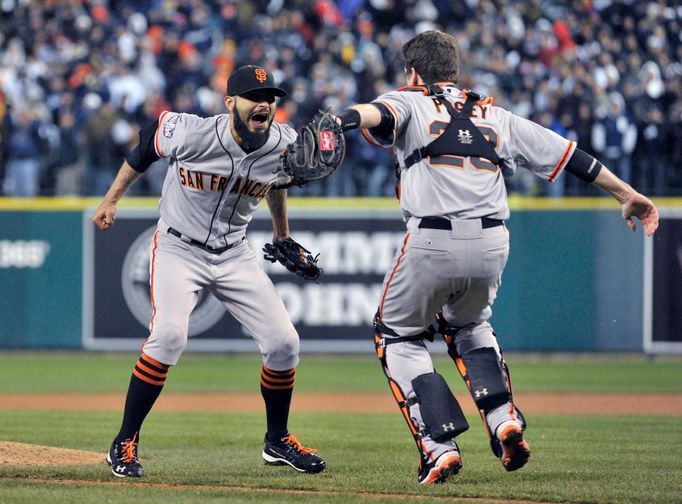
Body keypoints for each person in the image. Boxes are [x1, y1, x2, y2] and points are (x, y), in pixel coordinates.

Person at [326, 30, 659, 485]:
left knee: (397, 336)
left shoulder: (409, 99)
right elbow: (570, 156)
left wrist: (337, 120)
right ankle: (502, 417)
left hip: (432, 237)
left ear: (414, 72)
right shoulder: (494, 113)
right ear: (455, 70)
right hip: (492, 243)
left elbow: (374, 113)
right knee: (469, 327)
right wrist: (628, 193)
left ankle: (437, 446)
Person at [92, 65, 326, 478]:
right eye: (255, 96)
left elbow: (279, 182)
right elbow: (146, 145)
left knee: (284, 343)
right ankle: (124, 441)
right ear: (230, 102)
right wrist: (111, 200)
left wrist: (282, 234)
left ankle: (277, 441)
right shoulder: (194, 132)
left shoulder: (283, 143)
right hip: (178, 247)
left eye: (270, 97)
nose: (265, 104)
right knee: (168, 336)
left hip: (234, 253)